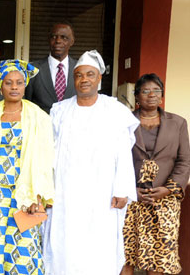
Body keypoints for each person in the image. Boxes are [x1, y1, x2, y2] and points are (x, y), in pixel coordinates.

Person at [45, 50, 139, 275]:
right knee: (63, 245)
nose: (84, 79)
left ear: (99, 78)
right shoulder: (59, 110)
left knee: (99, 247)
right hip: (65, 193)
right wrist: (46, 190)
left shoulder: (115, 110)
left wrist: (122, 189)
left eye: (89, 74)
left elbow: (124, 153)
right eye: (78, 75)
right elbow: (48, 152)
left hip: (102, 193)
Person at [0, 59, 55, 275]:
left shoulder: (39, 117)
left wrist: (39, 198)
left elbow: (45, 158)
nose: (14, 87)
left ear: (25, 85)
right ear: (0, 85)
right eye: (8, 83)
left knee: (23, 252)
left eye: (19, 83)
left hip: (24, 195)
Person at [121, 73, 190, 275]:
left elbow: (184, 160)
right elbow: (114, 159)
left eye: (156, 90)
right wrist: (130, 190)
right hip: (131, 199)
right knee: (126, 253)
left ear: (162, 95)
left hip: (165, 200)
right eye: (145, 90)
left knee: (160, 256)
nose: (151, 95)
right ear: (136, 96)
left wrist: (168, 190)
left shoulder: (178, 123)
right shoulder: (123, 122)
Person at [25, 22, 77, 114]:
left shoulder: (79, 69)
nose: (58, 41)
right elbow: (26, 103)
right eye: (53, 37)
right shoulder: (33, 69)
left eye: (64, 37)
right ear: (48, 40)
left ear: (72, 41)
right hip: (41, 126)